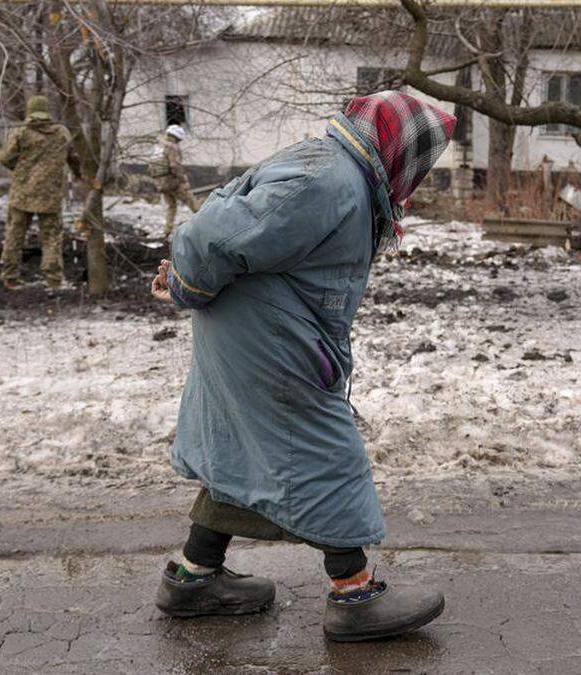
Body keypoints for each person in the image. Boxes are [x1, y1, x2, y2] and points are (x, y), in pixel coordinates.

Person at [150, 91, 455, 642]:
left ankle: (194, 578)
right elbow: (210, 235)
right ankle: (354, 595)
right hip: (268, 338)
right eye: (421, 159)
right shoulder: (327, 180)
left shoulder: (337, 172)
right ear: (398, 148)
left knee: (249, 444)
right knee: (321, 450)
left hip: (261, 329)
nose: (420, 173)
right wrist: (184, 283)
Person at [0, 95, 81, 290]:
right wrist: (77, 174)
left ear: (29, 111)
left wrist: (18, 167)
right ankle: (53, 280)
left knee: (14, 236)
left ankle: (10, 277)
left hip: (22, 194)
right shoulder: (61, 133)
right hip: (50, 195)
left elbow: (5, 159)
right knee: (51, 238)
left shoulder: (21, 133)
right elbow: (74, 157)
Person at [148, 124, 198, 238]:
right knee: (192, 203)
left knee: (171, 206)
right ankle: (207, 224)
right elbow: (174, 166)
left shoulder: (159, 146)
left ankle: (167, 230)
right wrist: (183, 179)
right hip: (173, 182)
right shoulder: (172, 146)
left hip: (160, 183)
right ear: (177, 137)